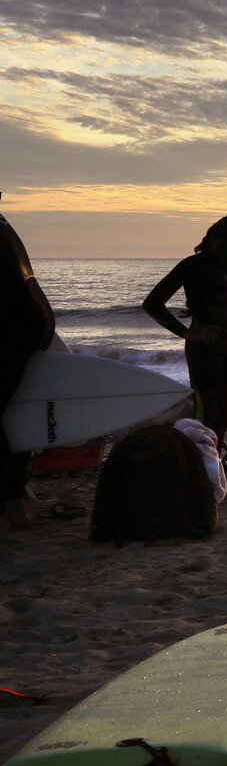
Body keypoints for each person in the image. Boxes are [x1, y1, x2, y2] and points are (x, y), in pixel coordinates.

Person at [142, 216, 227, 445]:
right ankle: (199, 466)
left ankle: (214, 467)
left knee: (223, 413)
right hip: (205, 349)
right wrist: (187, 332)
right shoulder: (193, 265)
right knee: (206, 414)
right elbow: (152, 303)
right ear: (212, 239)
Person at [1, 198, 58, 531]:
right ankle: (16, 502)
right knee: (16, 412)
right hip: (36, 314)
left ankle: (9, 509)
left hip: (16, 322)